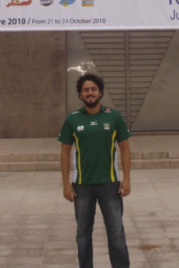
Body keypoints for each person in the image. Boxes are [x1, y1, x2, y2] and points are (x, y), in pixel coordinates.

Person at [58, 73, 131, 268]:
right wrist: (65, 184)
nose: (90, 93)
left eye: (93, 89)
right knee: (83, 234)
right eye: (86, 90)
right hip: (82, 186)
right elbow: (65, 153)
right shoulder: (72, 119)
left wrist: (126, 179)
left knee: (116, 234)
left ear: (100, 93)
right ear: (80, 95)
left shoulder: (114, 116)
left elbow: (125, 148)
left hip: (110, 185)